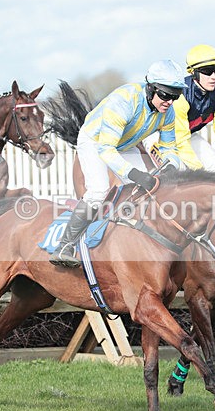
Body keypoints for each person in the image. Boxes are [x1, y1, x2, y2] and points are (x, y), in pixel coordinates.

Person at [49, 59, 186, 268]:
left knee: (154, 189)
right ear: (150, 89)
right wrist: (134, 174)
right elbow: (106, 149)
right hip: (96, 141)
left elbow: (169, 148)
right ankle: (65, 245)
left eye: (174, 97)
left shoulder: (168, 112)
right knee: (99, 191)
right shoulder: (124, 101)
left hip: (125, 142)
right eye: (165, 95)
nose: (169, 102)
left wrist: (171, 166)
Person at [152, 44, 215, 172]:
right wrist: (199, 171)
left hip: (187, 136)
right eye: (207, 71)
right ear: (194, 73)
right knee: (179, 173)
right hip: (157, 136)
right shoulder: (181, 96)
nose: (213, 76)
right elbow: (180, 140)